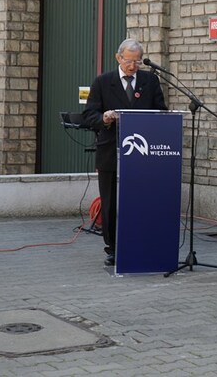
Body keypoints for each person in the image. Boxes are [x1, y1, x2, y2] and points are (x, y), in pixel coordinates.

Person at [83, 38, 167, 266]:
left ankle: (141, 241)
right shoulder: (103, 82)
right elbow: (89, 115)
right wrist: (104, 118)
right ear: (118, 58)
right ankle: (113, 247)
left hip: (143, 153)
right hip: (112, 150)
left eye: (137, 61)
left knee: (141, 199)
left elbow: (161, 110)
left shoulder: (150, 80)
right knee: (111, 201)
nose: (133, 66)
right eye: (129, 61)